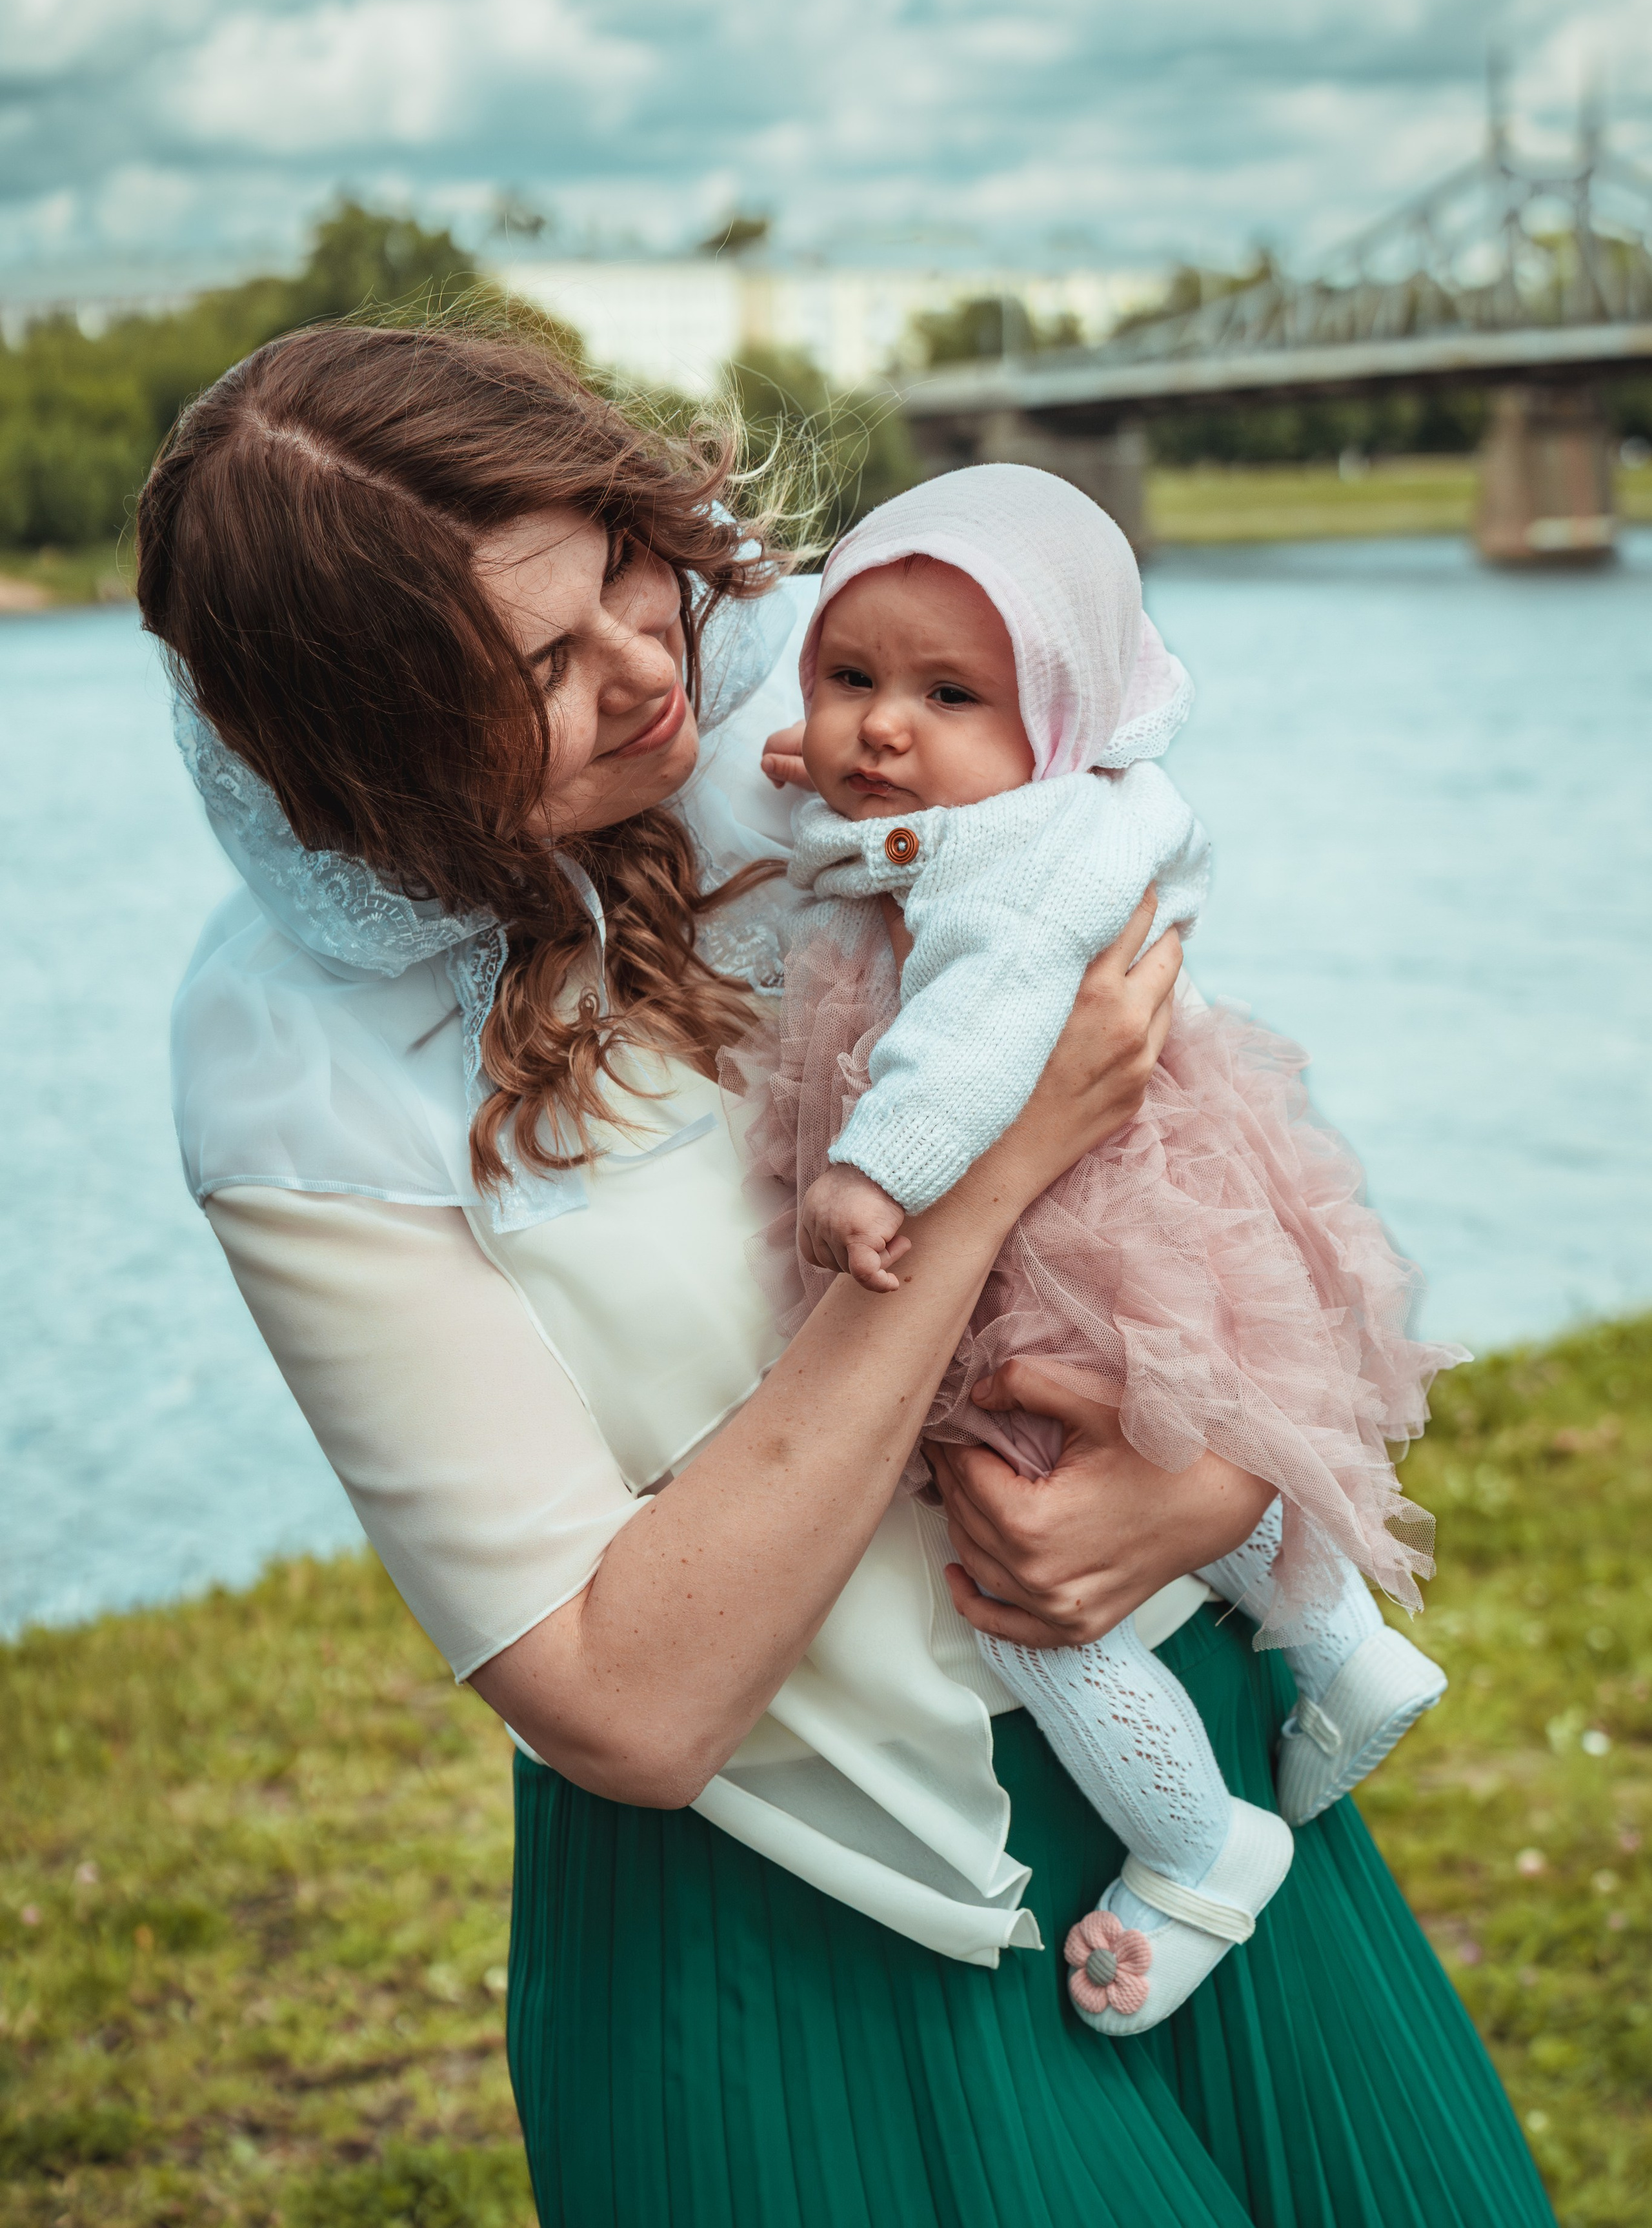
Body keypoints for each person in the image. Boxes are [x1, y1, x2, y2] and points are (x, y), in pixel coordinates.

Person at [137, 320, 1554, 2227]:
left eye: (625, 569)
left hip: (1201, 1797)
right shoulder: (287, 1062)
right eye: (537, 668)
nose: (651, 669)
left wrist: (1217, 1482)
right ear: (367, 747)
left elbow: (1219, 1167)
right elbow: (620, 1702)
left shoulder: (844, 697)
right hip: (804, 1934)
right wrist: (975, 1190)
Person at [734, 463, 1460, 2037]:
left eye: (944, 692)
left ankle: (1196, 1846)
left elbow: (986, 1028)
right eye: (848, 677)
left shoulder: (1026, 863)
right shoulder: (1059, 802)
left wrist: (876, 1171)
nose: (880, 730)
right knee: (1169, 1425)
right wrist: (830, 763)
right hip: (1128, 1220)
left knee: (1014, 1557)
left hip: (1025, 1215)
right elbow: (892, 824)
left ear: (1053, 719)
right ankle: (1337, 1644)